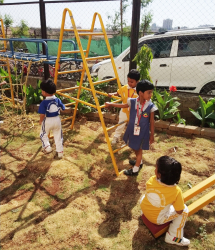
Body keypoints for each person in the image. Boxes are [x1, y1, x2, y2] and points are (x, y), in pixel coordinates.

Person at [105, 79, 157, 176]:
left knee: (139, 149)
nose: (151, 95)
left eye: (151, 93)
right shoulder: (132, 101)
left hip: (142, 132)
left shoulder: (150, 106)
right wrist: (111, 104)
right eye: (149, 92)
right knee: (133, 146)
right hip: (132, 129)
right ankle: (139, 161)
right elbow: (123, 105)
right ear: (141, 93)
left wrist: (152, 135)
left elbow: (152, 121)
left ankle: (135, 170)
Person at [140, 156, 190, 246]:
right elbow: (179, 211)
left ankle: (144, 211)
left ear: (159, 175)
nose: (155, 169)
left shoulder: (152, 180)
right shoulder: (176, 191)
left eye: (156, 168)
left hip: (144, 208)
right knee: (185, 210)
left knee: (146, 196)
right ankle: (173, 237)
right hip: (157, 219)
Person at [108, 69, 140, 144]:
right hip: (124, 110)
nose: (129, 83)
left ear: (137, 81)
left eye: (131, 82)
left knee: (136, 126)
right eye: (128, 81)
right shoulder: (125, 87)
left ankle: (135, 139)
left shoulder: (139, 90)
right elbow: (118, 92)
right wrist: (112, 94)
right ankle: (116, 137)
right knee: (121, 124)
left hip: (135, 112)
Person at [38, 79, 65, 158]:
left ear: (45, 92)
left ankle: (47, 147)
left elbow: (42, 114)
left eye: (42, 90)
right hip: (57, 119)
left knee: (43, 134)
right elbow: (63, 108)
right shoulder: (57, 99)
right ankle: (60, 152)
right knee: (58, 136)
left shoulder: (44, 103)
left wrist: (40, 121)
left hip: (47, 120)